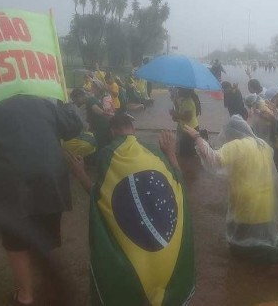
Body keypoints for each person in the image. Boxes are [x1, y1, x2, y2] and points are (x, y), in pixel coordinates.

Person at [0, 95, 83, 305]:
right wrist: (68, 106)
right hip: (50, 182)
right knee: (45, 239)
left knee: (16, 243)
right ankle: (51, 288)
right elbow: (74, 127)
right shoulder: (45, 104)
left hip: (10, 186)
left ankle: (25, 296)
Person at [67, 114, 195, 306]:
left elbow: (99, 196)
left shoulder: (107, 154)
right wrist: (170, 153)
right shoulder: (155, 152)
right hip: (168, 254)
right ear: (133, 130)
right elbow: (179, 182)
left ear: (112, 132)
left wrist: (80, 173)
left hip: (135, 256)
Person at [182, 116, 278, 271]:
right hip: (267, 201)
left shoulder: (237, 145)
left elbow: (214, 159)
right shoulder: (262, 144)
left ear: (231, 133)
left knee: (240, 245)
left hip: (248, 204)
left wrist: (197, 137)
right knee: (269, 236)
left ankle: (275, 258)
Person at [71, 81, 114, 150]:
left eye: (75, 100)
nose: (75, 103)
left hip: (101, 129)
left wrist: (105, 114)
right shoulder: (88, 102)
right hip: (98, 129)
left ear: (80, 97)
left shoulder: (90, 99)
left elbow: (95, 108)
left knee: (101, 148)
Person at [170, 88, 202, 160]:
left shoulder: (188, 102)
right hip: (187, 129)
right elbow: (182, 115)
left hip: (190, 130)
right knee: (185, 151)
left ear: (184, 92)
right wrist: (176, 117)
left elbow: (187, 117)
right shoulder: (183, 101)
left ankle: (190, 168)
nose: (178, 92)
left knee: (187, 153)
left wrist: (175, 114)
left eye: (179, 91)